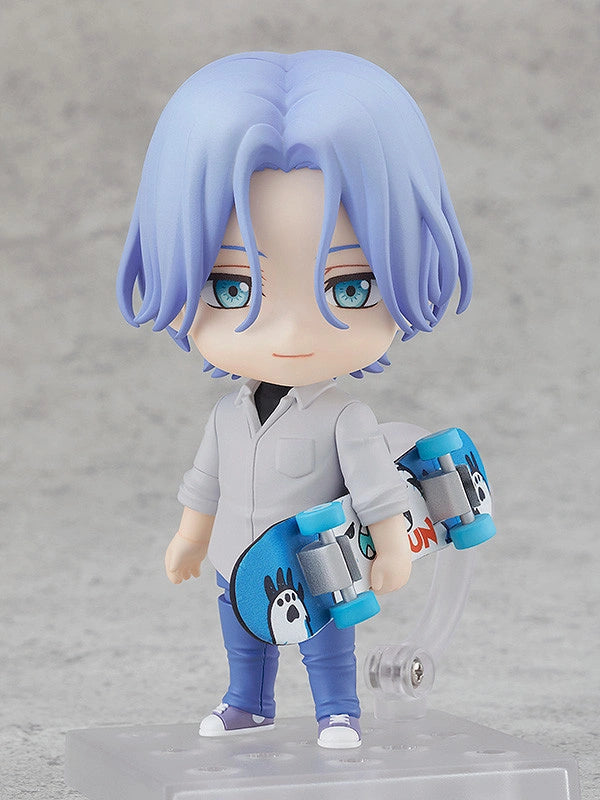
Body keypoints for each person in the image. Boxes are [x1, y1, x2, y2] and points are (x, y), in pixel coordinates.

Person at [116, 50, 472, 749]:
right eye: (231, 287)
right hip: (235, 559)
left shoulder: (346, 417)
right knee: (243, 640)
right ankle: (246, 703)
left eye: (350, 288)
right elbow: (204, 483)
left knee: (326, 643)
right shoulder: (227, 415)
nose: (287, 336)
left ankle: (338, 710)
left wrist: (392, 550)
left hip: (323, 562)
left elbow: (375, 490)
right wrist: (190, 539)